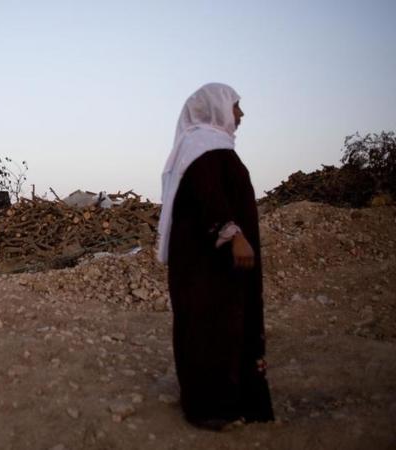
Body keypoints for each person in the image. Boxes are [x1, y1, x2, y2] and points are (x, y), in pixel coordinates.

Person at [156, 83, 274, 430]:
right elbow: (209, 195)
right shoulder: (203, 147)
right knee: (209, 327)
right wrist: (232, 233)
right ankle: (209, 408)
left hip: (216, 263)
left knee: (227, 324)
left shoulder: (211, 146)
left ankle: (236, 401)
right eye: (236, 106)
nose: (241, 114)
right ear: (216, 107)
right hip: (207, 265)